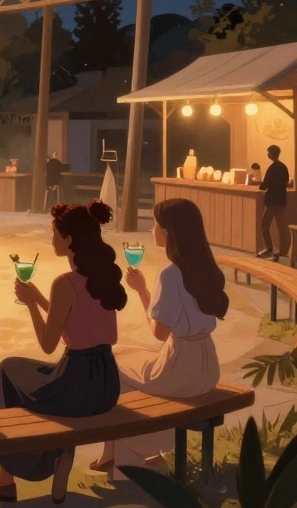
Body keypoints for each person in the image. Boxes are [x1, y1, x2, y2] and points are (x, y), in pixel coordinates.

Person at [0, 200, 126, 505]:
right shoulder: (102, 277)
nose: (51, 239)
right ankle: (59, 453)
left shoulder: (65, 283)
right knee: (25, 374)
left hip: (75, 383)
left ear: (68, 240)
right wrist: (43, 300)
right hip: (106, 383)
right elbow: (83, 325)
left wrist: (31, 304)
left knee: (8, 370)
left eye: (54, 233)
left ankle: (6, 480)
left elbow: (47, 342)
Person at [90, 198, 228, 473]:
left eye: (156, 223)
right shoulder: (205, 268)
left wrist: (141, 291)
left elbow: (160, 332)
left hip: (178, 370)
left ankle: (133, 455)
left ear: (169, 231)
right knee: (120, 358)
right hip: (207, 367)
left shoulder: (170, 274)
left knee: (109, 361)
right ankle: (115, 454)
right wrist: (143, 291)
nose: (152, 228)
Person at [258, 144, 290, 261]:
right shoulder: (283, 167)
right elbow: (286, 181)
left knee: (264, 224)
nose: (267, 154)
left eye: (268, 152)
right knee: (282, 227)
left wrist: (259, 183)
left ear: (271, 154)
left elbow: (265, 185)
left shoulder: (272, 168)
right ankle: (283, 251)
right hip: (281, 200)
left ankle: (269, 248)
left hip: (272, 201)